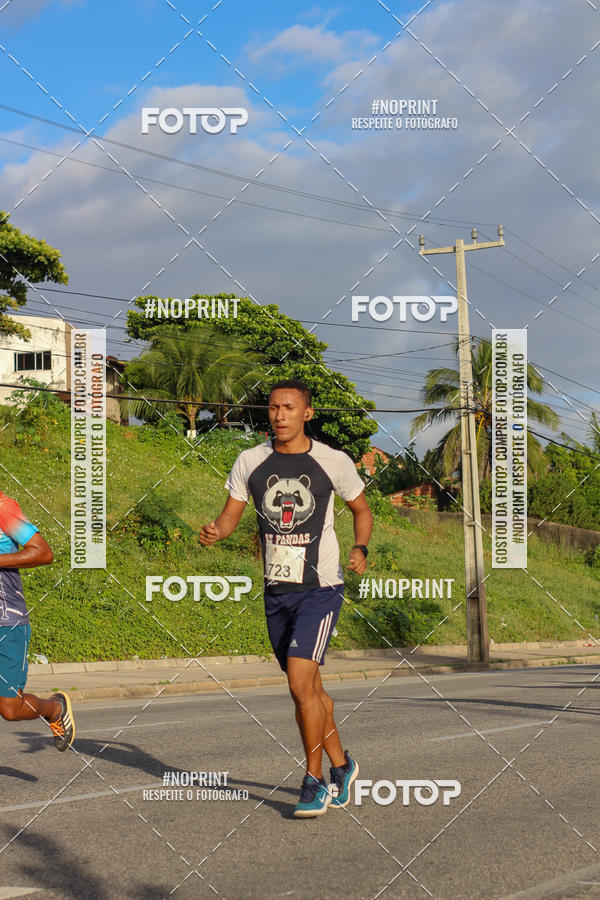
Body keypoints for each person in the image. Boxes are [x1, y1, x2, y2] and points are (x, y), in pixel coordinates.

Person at [200, 379, 372, 817]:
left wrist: (360, 547)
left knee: (299, 684)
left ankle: (313, 780)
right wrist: (217, 531)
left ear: (307, 413)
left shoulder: (332, 461)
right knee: (311, 691)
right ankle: (343, 764)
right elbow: (231, 515)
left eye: (289, 407)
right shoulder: (250, 461)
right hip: (277, 591)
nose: (279, 415)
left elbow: (362, 510)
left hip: (322, 586)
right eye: (274, 407)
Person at [0, 492, 75, 751]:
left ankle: (55, 708)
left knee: (10, 709)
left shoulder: (4, 509)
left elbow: (43, 553)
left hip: (6, 621)